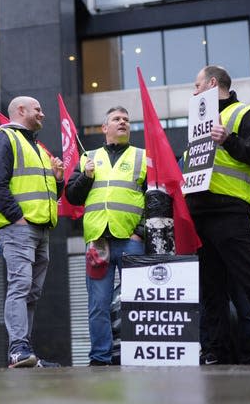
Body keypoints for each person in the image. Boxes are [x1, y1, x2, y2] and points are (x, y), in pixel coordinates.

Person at [187, 65, 250, 365]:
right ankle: (215, 353)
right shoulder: (198, 120)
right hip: (201, 215)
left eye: (196, 86)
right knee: (212, 290)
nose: (194, 93)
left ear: (211, 83)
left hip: (231, 212)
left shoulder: (243, 113)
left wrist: (229, 140)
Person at [0, 96, 64, 368]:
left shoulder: (38, 148)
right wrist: (17, 218)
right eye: (37, 109)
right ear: (20, 110)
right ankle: (18, 349)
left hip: (39, 228)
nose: (43, 113)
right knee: (20, 287)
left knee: (31, 292)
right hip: (21, 228)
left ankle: (25, 352)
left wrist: (60, 180)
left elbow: (49, 194)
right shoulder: (5, 138)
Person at [65, 106, 146, 366]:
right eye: (116, 119)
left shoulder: (142, 157)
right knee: (98, 305)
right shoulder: (88, 157)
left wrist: (140, 232)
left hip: (131, 241)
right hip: (98, 243)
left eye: (126, 119)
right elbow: (72, 196)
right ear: (104, 127)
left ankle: (138, 355)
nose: (122, 122)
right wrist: (86, 177)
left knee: (136, 303)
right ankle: (100, 358)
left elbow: (156, 198)